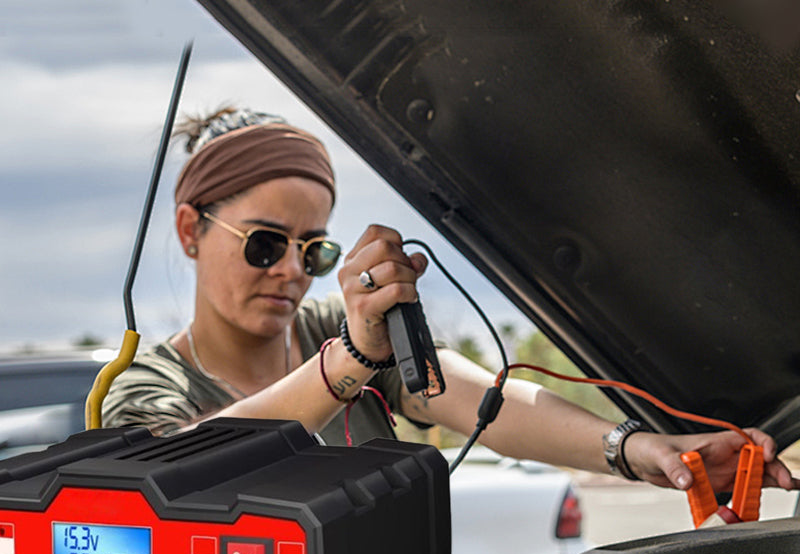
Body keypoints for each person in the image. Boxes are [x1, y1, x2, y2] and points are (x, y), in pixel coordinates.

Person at [103, 107, 799, 499]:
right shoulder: (147, 386)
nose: (291, 270)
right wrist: (347, 362)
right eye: (263, 244)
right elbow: (171, 470)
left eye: (313, 250)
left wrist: (645, 450)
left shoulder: (326, 330)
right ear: (192, 230)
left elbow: (473, 399)